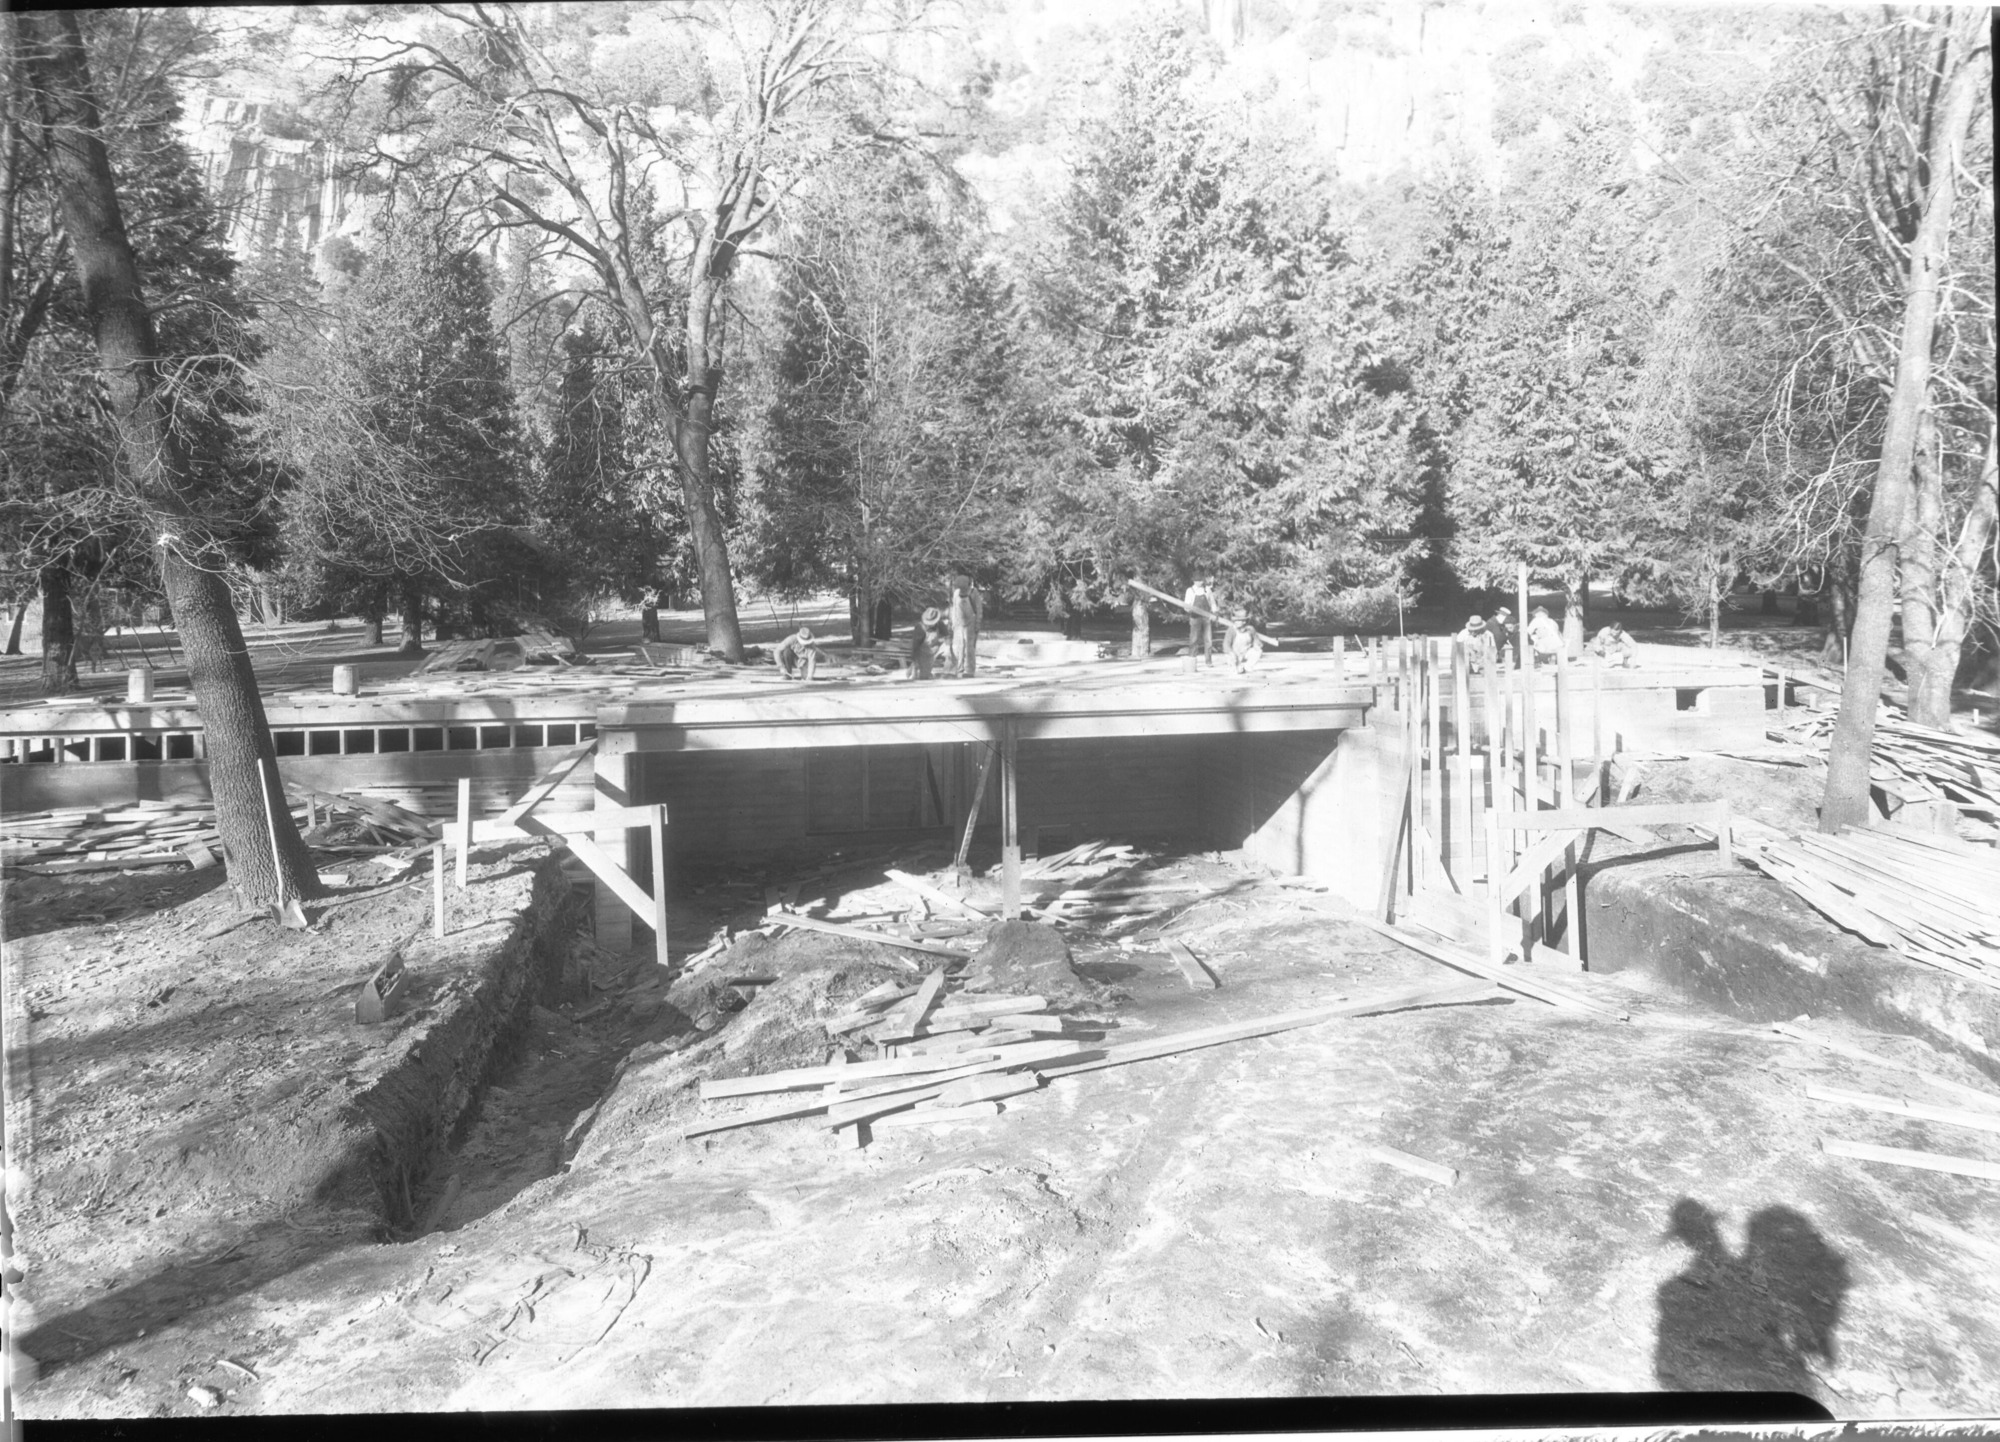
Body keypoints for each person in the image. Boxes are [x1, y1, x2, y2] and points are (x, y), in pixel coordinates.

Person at [948, 573, 983, 677]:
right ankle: (959, 668)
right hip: (959, 623)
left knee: (970, 647)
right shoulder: (956, 594)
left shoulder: (974, 593)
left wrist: (978, 623)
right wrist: (953, 622)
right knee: (959, 646)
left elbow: (979, 609)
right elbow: (954, 608)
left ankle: (970, 670)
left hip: (971, 623)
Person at [1183, 574, 1218, 667]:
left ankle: (1208, 661)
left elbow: (1212, 603)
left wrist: (1214, 613)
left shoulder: (1207, 590)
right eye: (1197, 581)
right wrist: (1188, 609)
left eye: (1200, 581)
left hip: (1206, 618)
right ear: (1194, 581)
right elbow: (1186, 604)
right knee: (1194, 640)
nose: (1199, 582)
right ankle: (1192, 661)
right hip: (1195, 618)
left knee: (1208, 640)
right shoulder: (1190, 591)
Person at [908, 607, 946, 679]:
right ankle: (918, 669)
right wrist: (913, 660)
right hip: (924, 653)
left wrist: (943, 642)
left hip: (937, 651)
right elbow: (915, 645)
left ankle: (949, 671)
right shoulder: (920, 628)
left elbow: (947, 636)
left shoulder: (940, 624)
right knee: (924, 677)